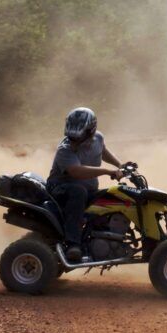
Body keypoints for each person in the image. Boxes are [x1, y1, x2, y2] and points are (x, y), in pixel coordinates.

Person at [47, 107, 123, 262]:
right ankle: (73, 244)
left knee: (114, 195)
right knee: (78, 191)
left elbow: (103, 151)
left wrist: (120, 165)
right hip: (59, 189)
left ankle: (103, 238)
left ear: (91, 131)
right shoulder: (65, 150)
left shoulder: (98, 138)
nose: (75, 141)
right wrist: (107, 171)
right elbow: (76, 172)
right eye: (72, 137)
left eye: (78, 138)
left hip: (87, 189)